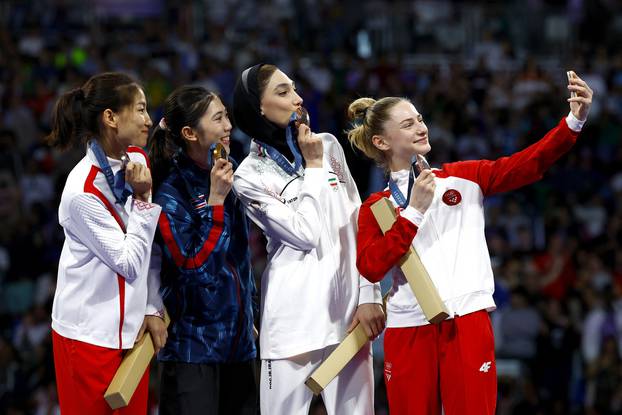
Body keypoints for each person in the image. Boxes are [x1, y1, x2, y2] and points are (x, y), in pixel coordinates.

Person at [348, 71, 593, 415]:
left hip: (465, 320)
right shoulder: (375, 207)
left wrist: (574, 122)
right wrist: (413, 212)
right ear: (381, 142)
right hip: (407, 328)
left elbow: (528, 163)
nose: (421, 127)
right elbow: (370, 267)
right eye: (407, 125)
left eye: (420, 119)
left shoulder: (465, 177)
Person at [232, 63, 384, 415]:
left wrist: (369, 294)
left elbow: (359, 222)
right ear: (259, 106)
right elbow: (303, 234)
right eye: (283, 92)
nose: (299, 99)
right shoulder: (248, 176)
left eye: (295, 89)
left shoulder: (328, 146)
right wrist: (313, 168)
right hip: (292, 324)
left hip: (348, 315)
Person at [47, 72, 167, 415]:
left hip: (131, 337)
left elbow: (151, 248)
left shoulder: (138, 162)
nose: (149, 120)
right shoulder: (82, 191)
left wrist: (151, 305)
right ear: (110, 118)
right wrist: (143, 201)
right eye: (141, 110)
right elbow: (128, 263)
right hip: (87, 339)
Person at [147, 86, 257, 415]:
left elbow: (241, 259)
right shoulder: (170, 193)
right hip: (193, 353)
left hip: (239, 348)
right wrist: (216, 203)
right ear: (189, 133)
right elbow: (196, 269)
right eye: (219, 118)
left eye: (227, 116)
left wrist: (249, 314)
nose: (229, 126)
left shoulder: (225, 169)